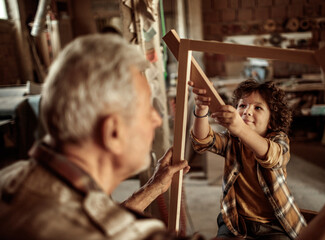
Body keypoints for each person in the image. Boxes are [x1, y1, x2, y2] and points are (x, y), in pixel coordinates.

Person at [0, 34, 191, 239]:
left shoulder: (9, 180)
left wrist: (154, 188)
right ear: (112, 133)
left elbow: (92, 215)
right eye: (147, 110)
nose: (157, 120)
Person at [189, 79, 306, 239]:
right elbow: (202, 141)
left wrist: (240, 128)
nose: (247, 111)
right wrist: (201, 110)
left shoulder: (279, 140)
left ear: (272, 121)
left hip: (274, 225)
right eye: (242, 105)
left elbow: (272, 157)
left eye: (257, 107)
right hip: (235, 222)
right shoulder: (233, 140)